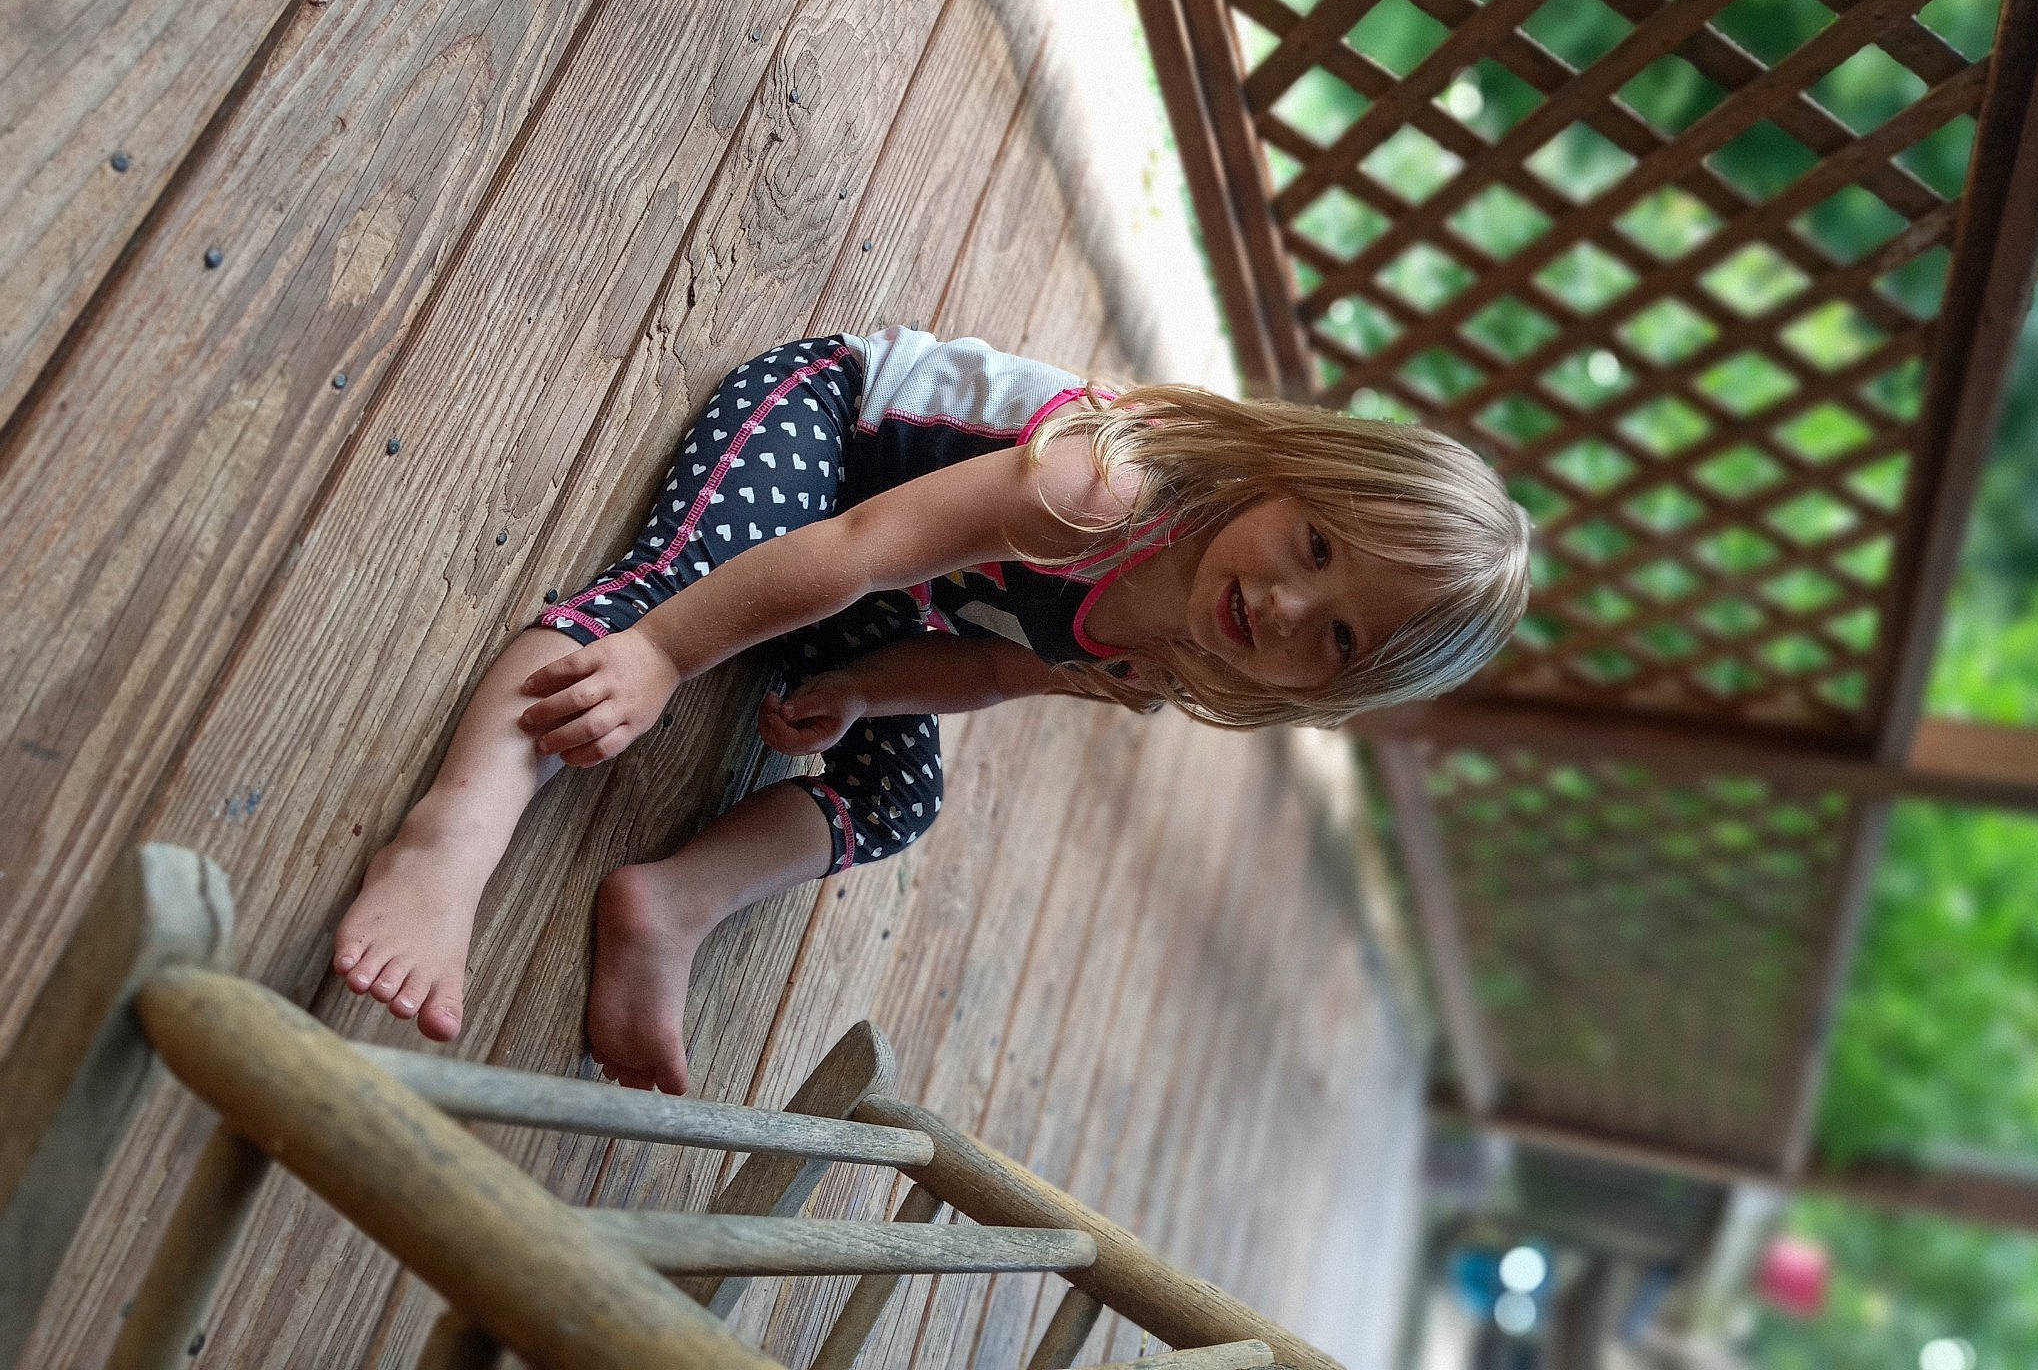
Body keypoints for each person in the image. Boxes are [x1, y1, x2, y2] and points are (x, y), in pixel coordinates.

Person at [332, 327, 1529, 1091]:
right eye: (1312, 544)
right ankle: (454, 836)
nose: (1279, 604)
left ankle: (674, 903)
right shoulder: (1104, 487)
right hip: (831, 454)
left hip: (891, 605)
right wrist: (656, 655)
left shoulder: (1173, 651)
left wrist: (861, 690)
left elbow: (1000, 667)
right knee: (669, 599)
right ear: (1287, 469)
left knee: (901, 792)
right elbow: (855, 548)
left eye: (1332, 637)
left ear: (1330, 693)